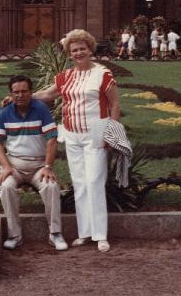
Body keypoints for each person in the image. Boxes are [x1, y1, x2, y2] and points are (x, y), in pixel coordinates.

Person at [33, 29, 120, 253]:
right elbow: (47, 95)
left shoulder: (103, 74)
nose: (79, 53)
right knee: (80, 184)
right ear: (69, 54)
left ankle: (101, 235)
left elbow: (114, 105)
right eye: (74, 50)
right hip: (71, 135)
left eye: (82, 48)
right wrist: (20, 97)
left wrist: (112, 132)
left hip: (96, 134)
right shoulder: (66, 76)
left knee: (94, 182)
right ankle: (85, 233)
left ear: (90, 50)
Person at [0, 75, 67, 252]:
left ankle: (55, 233)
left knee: (51, 187)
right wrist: (6, 167)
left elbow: (51, 139)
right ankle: (15, 235)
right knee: (7, 187)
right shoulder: (5, 113)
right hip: (15, 165)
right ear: (10, 93)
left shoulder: (40, 109)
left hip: (39, 166)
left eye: (24, 91)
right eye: (16, 92)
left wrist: (48, 166)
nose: (20, 95)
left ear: (31, 92)